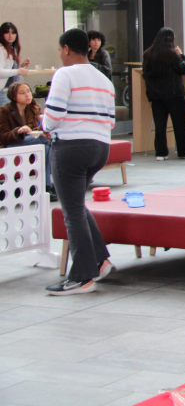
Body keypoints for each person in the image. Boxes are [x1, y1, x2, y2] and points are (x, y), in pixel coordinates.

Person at [43, 29, 116, 295]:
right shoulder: (103, 79)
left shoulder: (65, 73)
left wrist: (45, 125)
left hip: (71, 147)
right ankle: (100, 260)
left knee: (71, 212)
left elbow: (54, 112)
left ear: (65, 49)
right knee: (77, 205)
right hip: (100, 148)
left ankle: (82, 277)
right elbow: (111, 120)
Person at [142, 28, 185, 161]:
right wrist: (181, 55)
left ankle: (161, 153)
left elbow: (145, 75)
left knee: (160, 125)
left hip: (156, 96)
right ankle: (184, 152)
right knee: (180, 125)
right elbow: (184, 70)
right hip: (174, 94)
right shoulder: (173, 55)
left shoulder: (148, 54)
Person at [0, 82, 55, 200]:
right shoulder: (4, 111)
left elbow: (35, 131)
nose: (27, 95)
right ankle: (46, 186)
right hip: (10, 145)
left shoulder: (33, 108)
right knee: (44, 140)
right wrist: (18, 131)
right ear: (14, 97)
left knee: (45, 144)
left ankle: (44, 186)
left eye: (28, 91)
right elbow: (3, 136)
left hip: (29, 143)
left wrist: (42, 129)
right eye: (22, 93)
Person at [1, 22, 30, 107]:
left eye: (13, 33)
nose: (10, 36)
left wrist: (20, 66)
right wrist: (17, 71)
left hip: (9, 91)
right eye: (7, 32)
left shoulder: (10, 49)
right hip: (3, 92)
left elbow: (7, 68)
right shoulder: (1, 50)